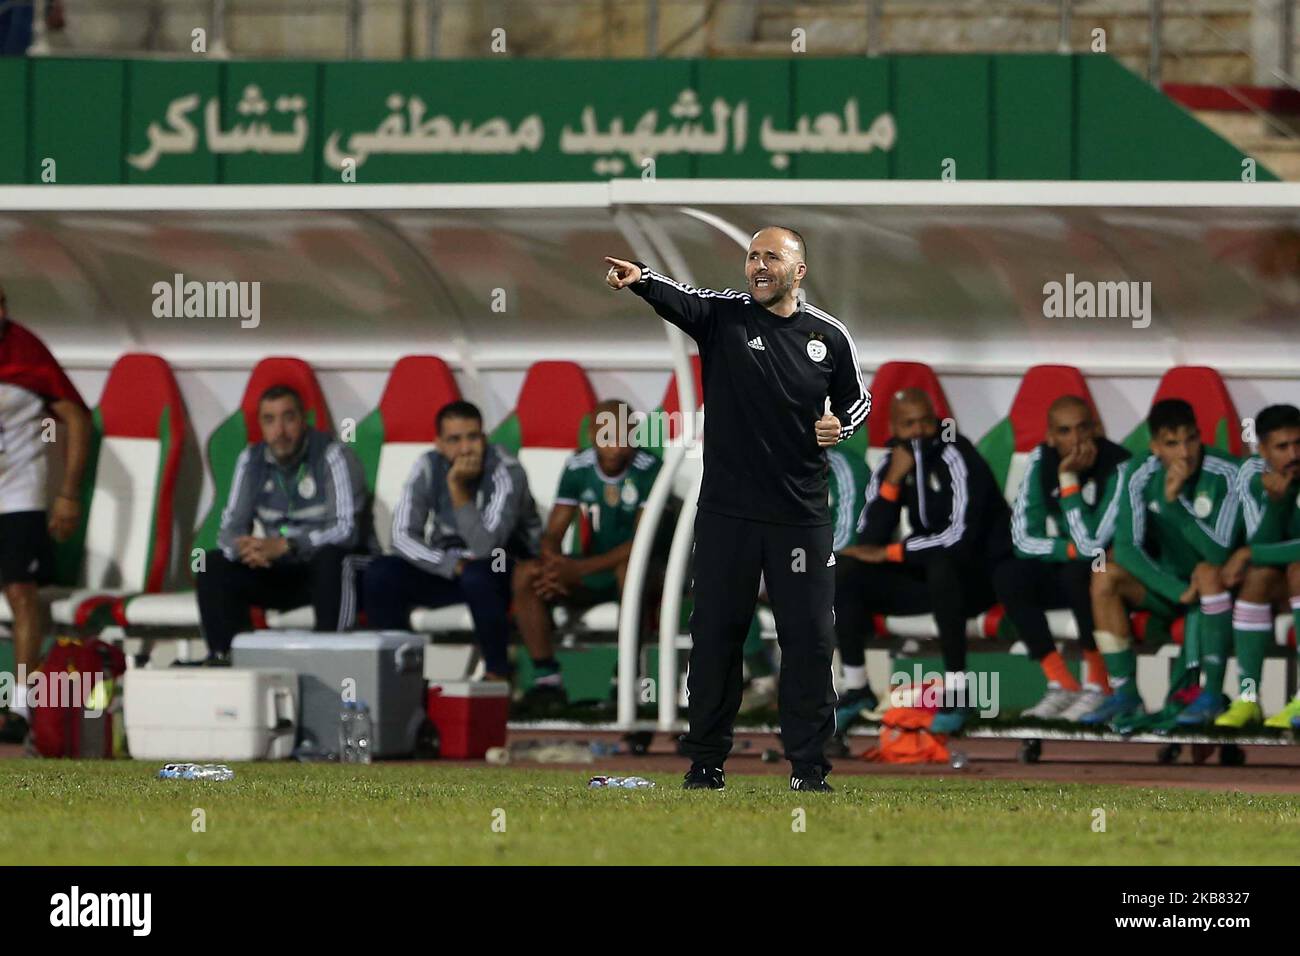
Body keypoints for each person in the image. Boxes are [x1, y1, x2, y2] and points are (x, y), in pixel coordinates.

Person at [605, 226, 870, 792]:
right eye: (752, 255)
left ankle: (809, 769)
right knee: (716, 636)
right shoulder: (724, 315)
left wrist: (839, 424)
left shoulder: (829, 336)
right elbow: (680, 297)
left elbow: (857, 400)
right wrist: (640, 280)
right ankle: (705, 764)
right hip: (727, 514)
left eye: (771, 256)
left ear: (799, 271)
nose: (758, 264)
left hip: (800, 516)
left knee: (808, 640)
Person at [834, 389, 1009, 735]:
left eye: (925, 422)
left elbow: (959, 537)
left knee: (943, 565)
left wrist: (893, 553)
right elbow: (870, 539)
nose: (918, 432)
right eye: (908, 424)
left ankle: (958, 691)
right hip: (933, 577)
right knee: (847, 572)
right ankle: (856, 687)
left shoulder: (957, 453)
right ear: (895, 428)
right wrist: (893, 483)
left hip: (979, 577)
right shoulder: (892, 462)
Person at [1082, 398, 1242, 729]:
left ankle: (1208, 695)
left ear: (1201, 436)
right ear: (1155, 446)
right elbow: (1126, 548)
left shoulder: (1227, 472)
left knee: (1208, 572)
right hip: (1172, 589)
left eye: (1191, 439)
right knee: (1104, 574)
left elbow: (1219, 554)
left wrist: (1174, 506)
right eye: (1172, 444)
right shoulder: (1138, 473)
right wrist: (1176, 590)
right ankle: (1124, 692)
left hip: (1219, 591)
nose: (1184, 453)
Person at [364, 400, 541, 682]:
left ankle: (498, 675)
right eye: (454, 440)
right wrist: (449, 564)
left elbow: (487, 547)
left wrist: (458, 489)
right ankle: (399, 678)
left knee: (478, 574)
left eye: (473, 437)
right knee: (380, 573)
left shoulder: (507, 470)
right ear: (439, 444)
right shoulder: (427, 465)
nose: (465, 448)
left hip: (503, 566)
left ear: (484, 438)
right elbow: (400, 536)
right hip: (450, 567)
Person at [195, 385, 367, 665]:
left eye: (289, 418)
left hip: (331, 570)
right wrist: (245, 549)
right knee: (213, 565)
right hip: (281, 568)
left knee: (331, 558)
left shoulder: (334, 455)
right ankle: (228, 661)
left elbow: (346, 530)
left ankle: (328, 665)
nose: (280, 431)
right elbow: (229, 529)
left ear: (304, 419)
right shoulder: (251, 459)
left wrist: (288, 545)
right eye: (269, 420)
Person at [512, 399, 662, 709]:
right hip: (591, 571)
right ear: (592, 435)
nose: (616, 445)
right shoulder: (578, 466)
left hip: (640, 570)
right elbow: (554, 530)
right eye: (607, 434)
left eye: (624, 434)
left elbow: (641, 543)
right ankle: (546, 680)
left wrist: (578, 570)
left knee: (630, 572)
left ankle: (624, 679)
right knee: (526, 573)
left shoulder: (650, 469)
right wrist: (554, 563)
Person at [1003, 395, 1130, 721]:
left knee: (1081, 571)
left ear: (1096, 429)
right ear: (1050, 436)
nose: (1075, 440)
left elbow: (1095, 544)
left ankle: (1099, 683)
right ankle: (1061, 682)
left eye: (1083, 429)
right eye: (1064, 431)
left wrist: (1068, 480)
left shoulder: (1120, 466)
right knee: (1011, 573)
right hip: (1073, 561)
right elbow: (1020, 537)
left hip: (1118, 575)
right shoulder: (1040, 460)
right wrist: (1068, 550)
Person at [0, 285, 91, 734]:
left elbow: (76, 415)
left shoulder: (25, 351)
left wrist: (68, 493)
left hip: (20, 491)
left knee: (21, 591)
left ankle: (22, 706)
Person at [1218, 404, 1300, 728]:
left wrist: (1249, 553)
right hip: (1285, 586)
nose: (1294, 454)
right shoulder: (1254, 477)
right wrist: (1276, 504)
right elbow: (1262, 543)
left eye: (1299, 444)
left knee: (1297, 569)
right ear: (1263, 450)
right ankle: (1248, 697)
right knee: (1257, 578)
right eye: (1282, 447)